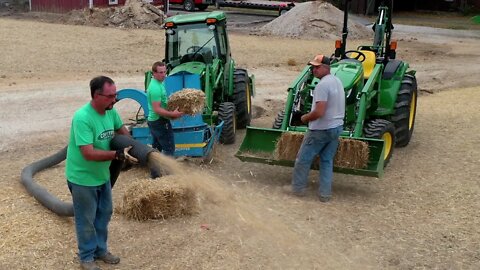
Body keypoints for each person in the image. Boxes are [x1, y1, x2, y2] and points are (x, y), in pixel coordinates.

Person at [66, 76, 137, 270]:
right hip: (82, 178)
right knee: (86, 219)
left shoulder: (110, 113)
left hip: (101, 176)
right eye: (110, 96)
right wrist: (117, 154)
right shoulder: (83, 118)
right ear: (96, 95)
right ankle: (86, 257)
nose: (114, 100)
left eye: (115, 95)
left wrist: (134, 148)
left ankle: (100, 250)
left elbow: (124, 134)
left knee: (104, 213)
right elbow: (88, 153)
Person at [286, 55, 345, 202]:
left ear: (326, 67)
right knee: (326, 160)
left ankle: (297, 189)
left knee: (303, 159)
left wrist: (304, 118)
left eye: (317, 67)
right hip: (337, 127)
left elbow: (319, 112)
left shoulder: (322, 85)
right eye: (313, 67)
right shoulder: (337, 81)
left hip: (321, 130)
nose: (314, 70)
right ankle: (325, 194)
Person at [147, 61, 183, 178]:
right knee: (169, 148)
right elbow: (157, 109)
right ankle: (168, 176)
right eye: (161, 72)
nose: (164, 75)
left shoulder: (159, 83)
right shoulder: (155, 88)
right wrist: (172, 114)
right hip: (159, 121)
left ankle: (155, 176)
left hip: (155, 121)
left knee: (156, 150)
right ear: (154, 73)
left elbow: (162, 104)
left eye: (165, 72)